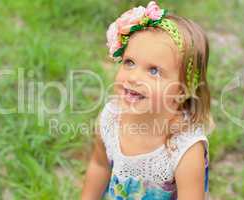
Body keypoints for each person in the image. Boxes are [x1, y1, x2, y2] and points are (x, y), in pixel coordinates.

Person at [82, 1, 215, 199]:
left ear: (182, 90)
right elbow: (99, 165)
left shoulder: (185, 148)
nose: (133, 77)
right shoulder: (111, 118)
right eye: (130, 62)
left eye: (154, 71)